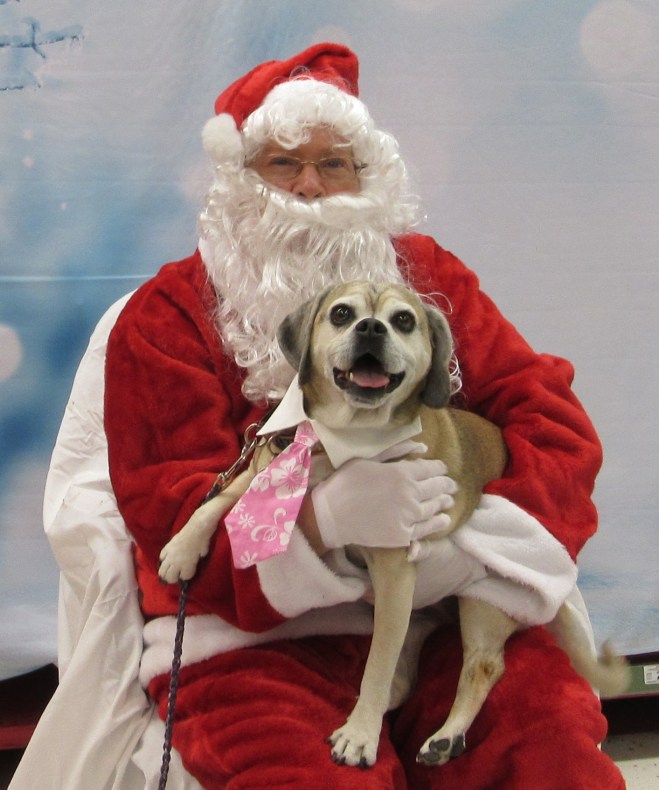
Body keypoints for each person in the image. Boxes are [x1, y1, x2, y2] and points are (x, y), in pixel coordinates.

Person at [61, 43, 625, 789]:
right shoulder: (166, 319)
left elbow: (550, 424)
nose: (309, 189)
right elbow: (168, 510)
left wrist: (470, 545)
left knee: (547, 752)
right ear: (236, 182)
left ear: (369, 179)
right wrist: (319, 526)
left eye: (335, 165)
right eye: (281, 165)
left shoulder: (429, 279)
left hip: (439, 611)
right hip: (252, 642)